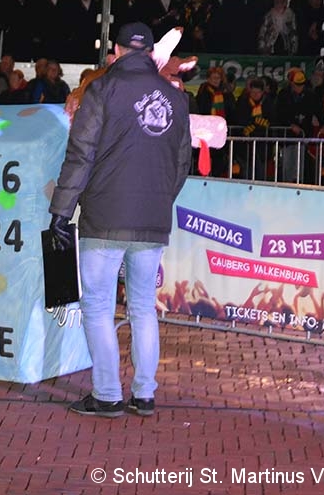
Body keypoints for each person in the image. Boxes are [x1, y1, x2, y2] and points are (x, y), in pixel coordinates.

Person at [48, 23, 191, 418]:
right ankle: (144, 393)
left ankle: (108, 394)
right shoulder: (175, 98)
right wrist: (159, 200)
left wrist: (61, 210)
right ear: (148, 52)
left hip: (105, 217)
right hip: (153, 219)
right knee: (143, 307)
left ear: (117, 49)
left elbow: (81, 154)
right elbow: (181, 164)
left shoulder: (103, 89)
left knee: (98, 306)